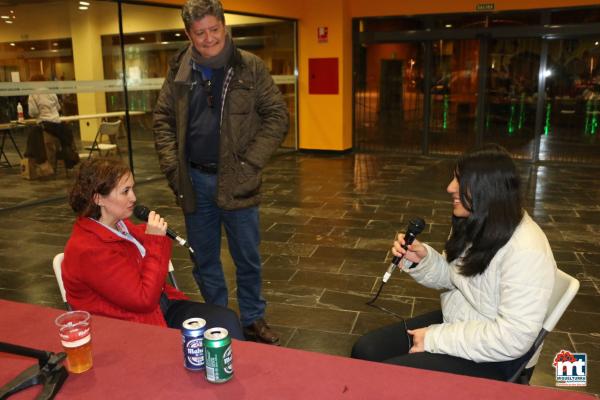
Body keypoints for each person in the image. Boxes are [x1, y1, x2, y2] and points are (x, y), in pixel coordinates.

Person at [351, 144, 556, 381]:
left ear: (487, 189)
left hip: (500, 354)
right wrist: (423, 261)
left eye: (460, 181)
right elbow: (455, 278)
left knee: (393, 377)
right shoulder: (475, 221)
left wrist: (434, 339)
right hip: (462, 319)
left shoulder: (527, 250)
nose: (450, 187)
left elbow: (513, 338)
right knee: (365, 351)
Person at [153, 0, 288, 345]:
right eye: (200, 33)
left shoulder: (250, 67)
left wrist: (250, 164)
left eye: (214, 29)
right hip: (194, 182)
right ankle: (219, 316)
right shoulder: (178, 70)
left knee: (247, 256)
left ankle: (253, 318)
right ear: (188, 34)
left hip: (239, 181)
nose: (209, 38)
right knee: (204, 258)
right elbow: (163, 121)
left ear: (224, 27)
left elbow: (277, 117)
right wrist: (173, 169)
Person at [61, 157, 244, 339]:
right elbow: (144, 300)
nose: (133, 197)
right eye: (125, 191)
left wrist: (153, 237)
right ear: (99, 198)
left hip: (158, 308)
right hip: (130, 328)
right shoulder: (88, 250)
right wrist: (155, 241)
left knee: (226, 321)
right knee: (222, 330)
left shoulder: (119, 225)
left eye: (132, 188)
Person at [27, 74, 79, 169]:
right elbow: (58, 107)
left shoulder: (32, 94)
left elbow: (33, 112)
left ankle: (43, 164)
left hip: (46, 126)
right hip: (58, 125)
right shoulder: (51, 92)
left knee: (33, 134)